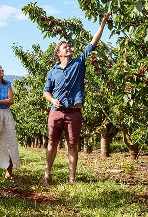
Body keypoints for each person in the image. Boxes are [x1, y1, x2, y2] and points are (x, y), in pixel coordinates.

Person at [42, 13, 109, 186]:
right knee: (52, 143)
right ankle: (47, 175)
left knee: (72, 145)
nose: (69, 47)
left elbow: (93, 44)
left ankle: (72, 178)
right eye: (65, 47)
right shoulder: (52, 71)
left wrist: (101, 25)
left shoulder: (79, 64)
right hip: (56, 112)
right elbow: (46, 92)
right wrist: (52, 100)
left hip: (74, 113)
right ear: (58, 53)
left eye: (69, 46)